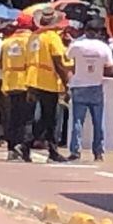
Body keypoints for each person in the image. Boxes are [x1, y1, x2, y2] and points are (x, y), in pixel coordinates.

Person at [23, 9, 71, 163]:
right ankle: (52, 151)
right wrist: (66, 83)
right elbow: (58, 62)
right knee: (50, 119)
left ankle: (25, 146)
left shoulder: (33, 37)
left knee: (36, 118)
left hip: (32, 80)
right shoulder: (52, 38)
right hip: (48, 82)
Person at [66, 20, 113, 162]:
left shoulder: (76, 46)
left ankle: (75, 151)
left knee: (77, 121)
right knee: (98, 121)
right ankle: (98, 152)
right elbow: (111, 69)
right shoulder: (104, 47)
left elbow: (67, 62)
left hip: (79, 86)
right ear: (99, 32)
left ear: (86, 31)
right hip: (96, 85)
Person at [0, 14, 33, 161]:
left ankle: (11, 148)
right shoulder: (31, 41)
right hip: (26, 84)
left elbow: (0, 63)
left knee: (11, 118)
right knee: (26, 119)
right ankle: (23, 147)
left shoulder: (6, 42)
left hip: (8, 84)